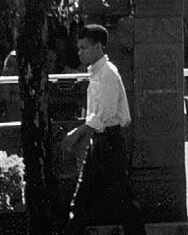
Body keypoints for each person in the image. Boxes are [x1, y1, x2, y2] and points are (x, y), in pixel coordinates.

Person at [62, 24, 146, 235]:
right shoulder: (97, 73)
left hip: (109, 141)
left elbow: (104, 115)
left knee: (122, 199)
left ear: (98, 47)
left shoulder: (107, 73)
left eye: (84, 47)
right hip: (100, 141)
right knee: (82, 200)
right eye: (79, 48)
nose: (80, 52)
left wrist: (78, 132)